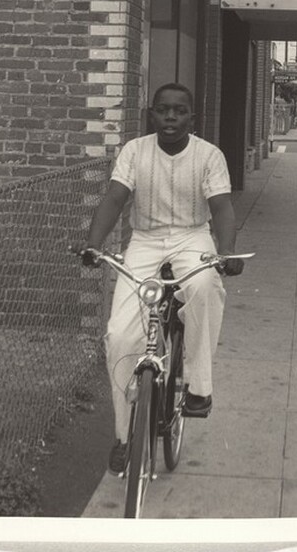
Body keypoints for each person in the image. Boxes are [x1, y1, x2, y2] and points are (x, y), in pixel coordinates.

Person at [79, 82, 244, 475]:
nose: (171, 117)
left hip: (192, 236)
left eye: (179, 110)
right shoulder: (135, 151)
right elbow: (115, 198)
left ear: (191, 117)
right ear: (151, 114)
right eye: (163, 109)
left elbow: (221, 207)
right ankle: (124, 437)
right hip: (146, 240)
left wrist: (225, 253)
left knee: (205, 286)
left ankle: (199, 388)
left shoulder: (209, 155)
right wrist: (93, 245)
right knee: (120, 335)